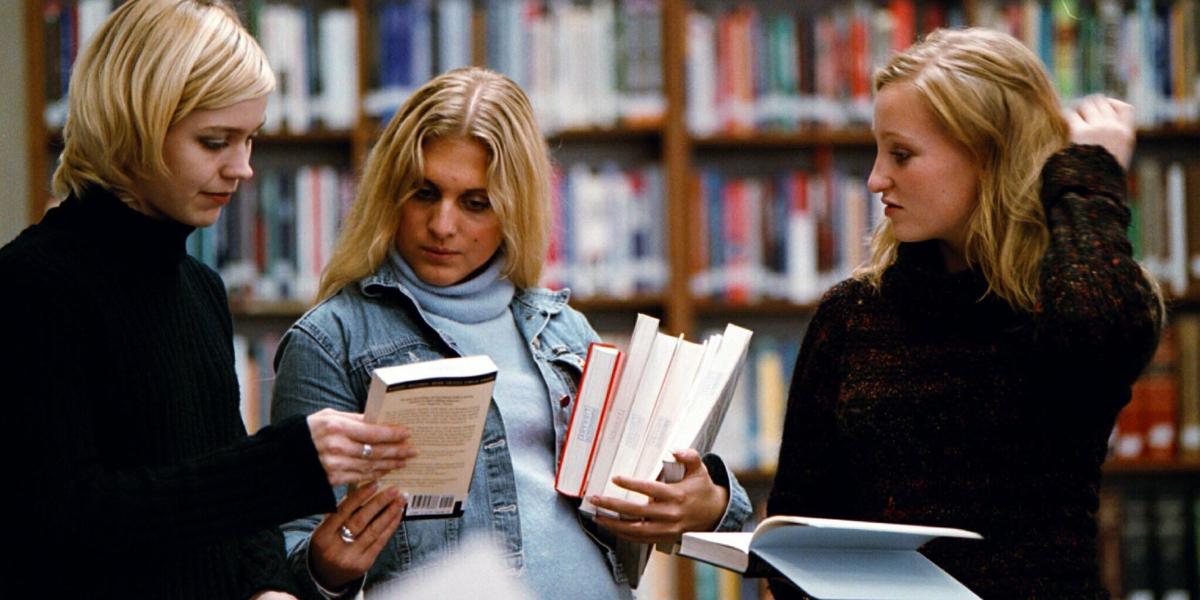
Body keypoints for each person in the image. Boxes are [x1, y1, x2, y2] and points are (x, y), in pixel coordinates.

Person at [270, 66, 752, 599]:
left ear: (513, 208)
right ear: (390, 195)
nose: (442, 225)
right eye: (424, 193)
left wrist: (706, 504)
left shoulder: (563, 329)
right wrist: (326, 565)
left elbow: (681, 500)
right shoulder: (330, 340)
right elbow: (288, 557)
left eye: (475, 204)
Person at [0, 1, 414, 597]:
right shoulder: (34, 285)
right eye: (215, 141)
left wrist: (266, 585)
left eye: (250, 139)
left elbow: (230, 509)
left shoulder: (200, 287)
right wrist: (283, 464)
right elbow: (67, 518)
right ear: (133, 128)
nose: (242, 168)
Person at [767, 27, 1163, 599]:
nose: (875, 179)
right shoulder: (852, 315)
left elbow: (1096, 332)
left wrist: (1089, 176)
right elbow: (797, 530)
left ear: (989, 154)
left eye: (901, 154)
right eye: (878, 151)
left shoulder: (1068, 302)